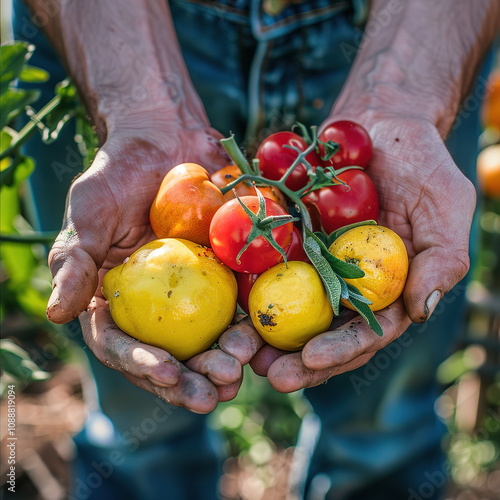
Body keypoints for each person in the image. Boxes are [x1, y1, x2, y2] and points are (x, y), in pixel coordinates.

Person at [12, 0, 499, 498]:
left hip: (407, 27)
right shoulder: (261, 212)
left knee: (384, 425)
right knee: (137, 423)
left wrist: (404, 99)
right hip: (118, 33)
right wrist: (140, 111)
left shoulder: (292, 202)